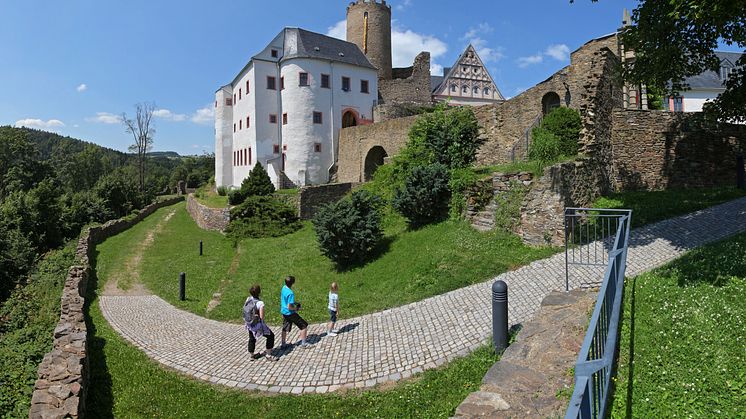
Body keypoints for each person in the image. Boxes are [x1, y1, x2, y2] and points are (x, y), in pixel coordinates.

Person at [243, 284, 278, 361]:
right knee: (271, 336)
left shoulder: (248, 299)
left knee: (251, 338)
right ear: (259, 292)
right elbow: (261, 317)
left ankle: (252, 355)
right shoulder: (260, 303)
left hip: (249, 323)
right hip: (257, 324)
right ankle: (268, 355)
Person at [280, 275, 309, 348]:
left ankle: (283, 344)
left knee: (284, 328)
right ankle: (303, 344)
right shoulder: (290, 293)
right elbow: (289, 307)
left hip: (284, 312)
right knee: (304, 325)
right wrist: (296, 309)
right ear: (292, 283)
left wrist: (294, 302)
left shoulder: (284, 288)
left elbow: (286, 300)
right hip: (290, 313)